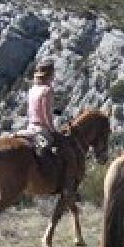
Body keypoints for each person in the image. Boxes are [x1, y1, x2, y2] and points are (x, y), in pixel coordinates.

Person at [26, 60, 79, 200]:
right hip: (42, 130)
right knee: (69, 152)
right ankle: (67, 187)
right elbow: (46, 115)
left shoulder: (32, 89)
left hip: (30, 128)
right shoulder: (47, 90)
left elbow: (35, 111)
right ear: (50, 74)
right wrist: (53, 130)